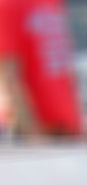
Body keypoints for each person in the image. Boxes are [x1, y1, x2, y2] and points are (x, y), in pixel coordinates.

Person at [0, 0, 82, 137]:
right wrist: (35, 137)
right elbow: (9, 77)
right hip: (38, 135)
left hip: (68, 131)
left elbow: (62, 68)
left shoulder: (53, 3)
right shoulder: (8, 5)